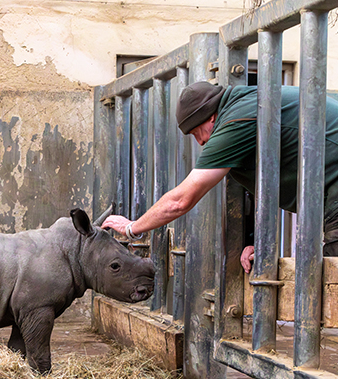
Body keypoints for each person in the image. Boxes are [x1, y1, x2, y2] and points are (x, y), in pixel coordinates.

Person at [102, 81, 338, 273]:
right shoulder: (249, 103)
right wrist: (262, 240)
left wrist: (133, 228)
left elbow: (181, 201)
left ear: (211, 117)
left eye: (197, 132)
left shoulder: (236, 121)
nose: (201, 142)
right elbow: (267, 179)